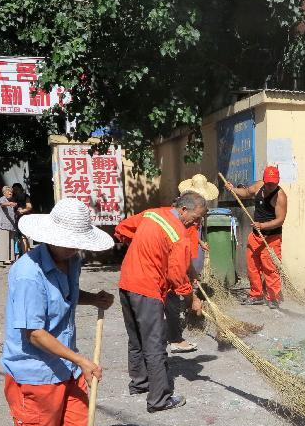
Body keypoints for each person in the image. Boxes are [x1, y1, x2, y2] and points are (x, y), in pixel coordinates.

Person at [1, 198, 144, 426]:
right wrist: (82, 359)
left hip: (66, 370)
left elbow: (66, 294)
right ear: (51, 236)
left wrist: (92, 298)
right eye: (71, 242)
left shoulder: (72, 260)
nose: (76, 248)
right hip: (33, 374)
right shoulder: (27, 274)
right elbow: (34, 333)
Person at [114, 191, 207, 412]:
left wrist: (144, 248)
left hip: (127, 283)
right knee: (155, 344)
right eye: (196, 217)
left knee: (135, 338)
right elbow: (176, 276)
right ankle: (159, 399)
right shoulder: (179, 234)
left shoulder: (152, 214)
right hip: (147, 290)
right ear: (183, 209)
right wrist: (191, 298)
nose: (197, 222)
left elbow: (122, 229)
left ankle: (140, 383)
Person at [223, 166, 287, 309]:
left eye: (274, 183)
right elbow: (245, 192)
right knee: (252, 266)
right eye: (269, 183)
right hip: (256, 235)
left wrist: (263, 226)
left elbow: (280, 220)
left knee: (270, 268)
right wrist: (233, 189)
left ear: (278, 181)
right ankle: (256, 294)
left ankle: (273, 297)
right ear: (264, 180)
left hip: (271, 238)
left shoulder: (280, 196)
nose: (271, 186)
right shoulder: (259, 186)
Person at [168, 175, 219, 354]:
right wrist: (192, 298)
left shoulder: (193, 212)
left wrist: (199, 241)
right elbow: (176, 270)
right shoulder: (179, 213)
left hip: (189, 248)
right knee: (177, 288)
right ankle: (175, 334)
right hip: (181, 248)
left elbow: (193, 229)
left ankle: (183, 316)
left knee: (190, 279)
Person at [0, 186, 18, 264]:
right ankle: (5, 258)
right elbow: (2, 204)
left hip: (10, 225)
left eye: (11, 192)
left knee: (10, 241)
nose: (10, 193)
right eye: (8, 192)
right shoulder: (2, 199)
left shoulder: (11, 200)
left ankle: (11, 258)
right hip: (2, 224)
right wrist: (9, 203)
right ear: (4, 193)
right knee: (3, 241)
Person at [11, 183, 33, 254]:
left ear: (21, 189)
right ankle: (26, 252)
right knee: (22, 237)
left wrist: (22, 211)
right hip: (17, 219)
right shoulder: (13, 197)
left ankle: (25, 253)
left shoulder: (25, 196)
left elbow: (29, 207)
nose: (15, 191)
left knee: (24, 236)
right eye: (14, 189)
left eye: (17, 189)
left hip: (25, 218)